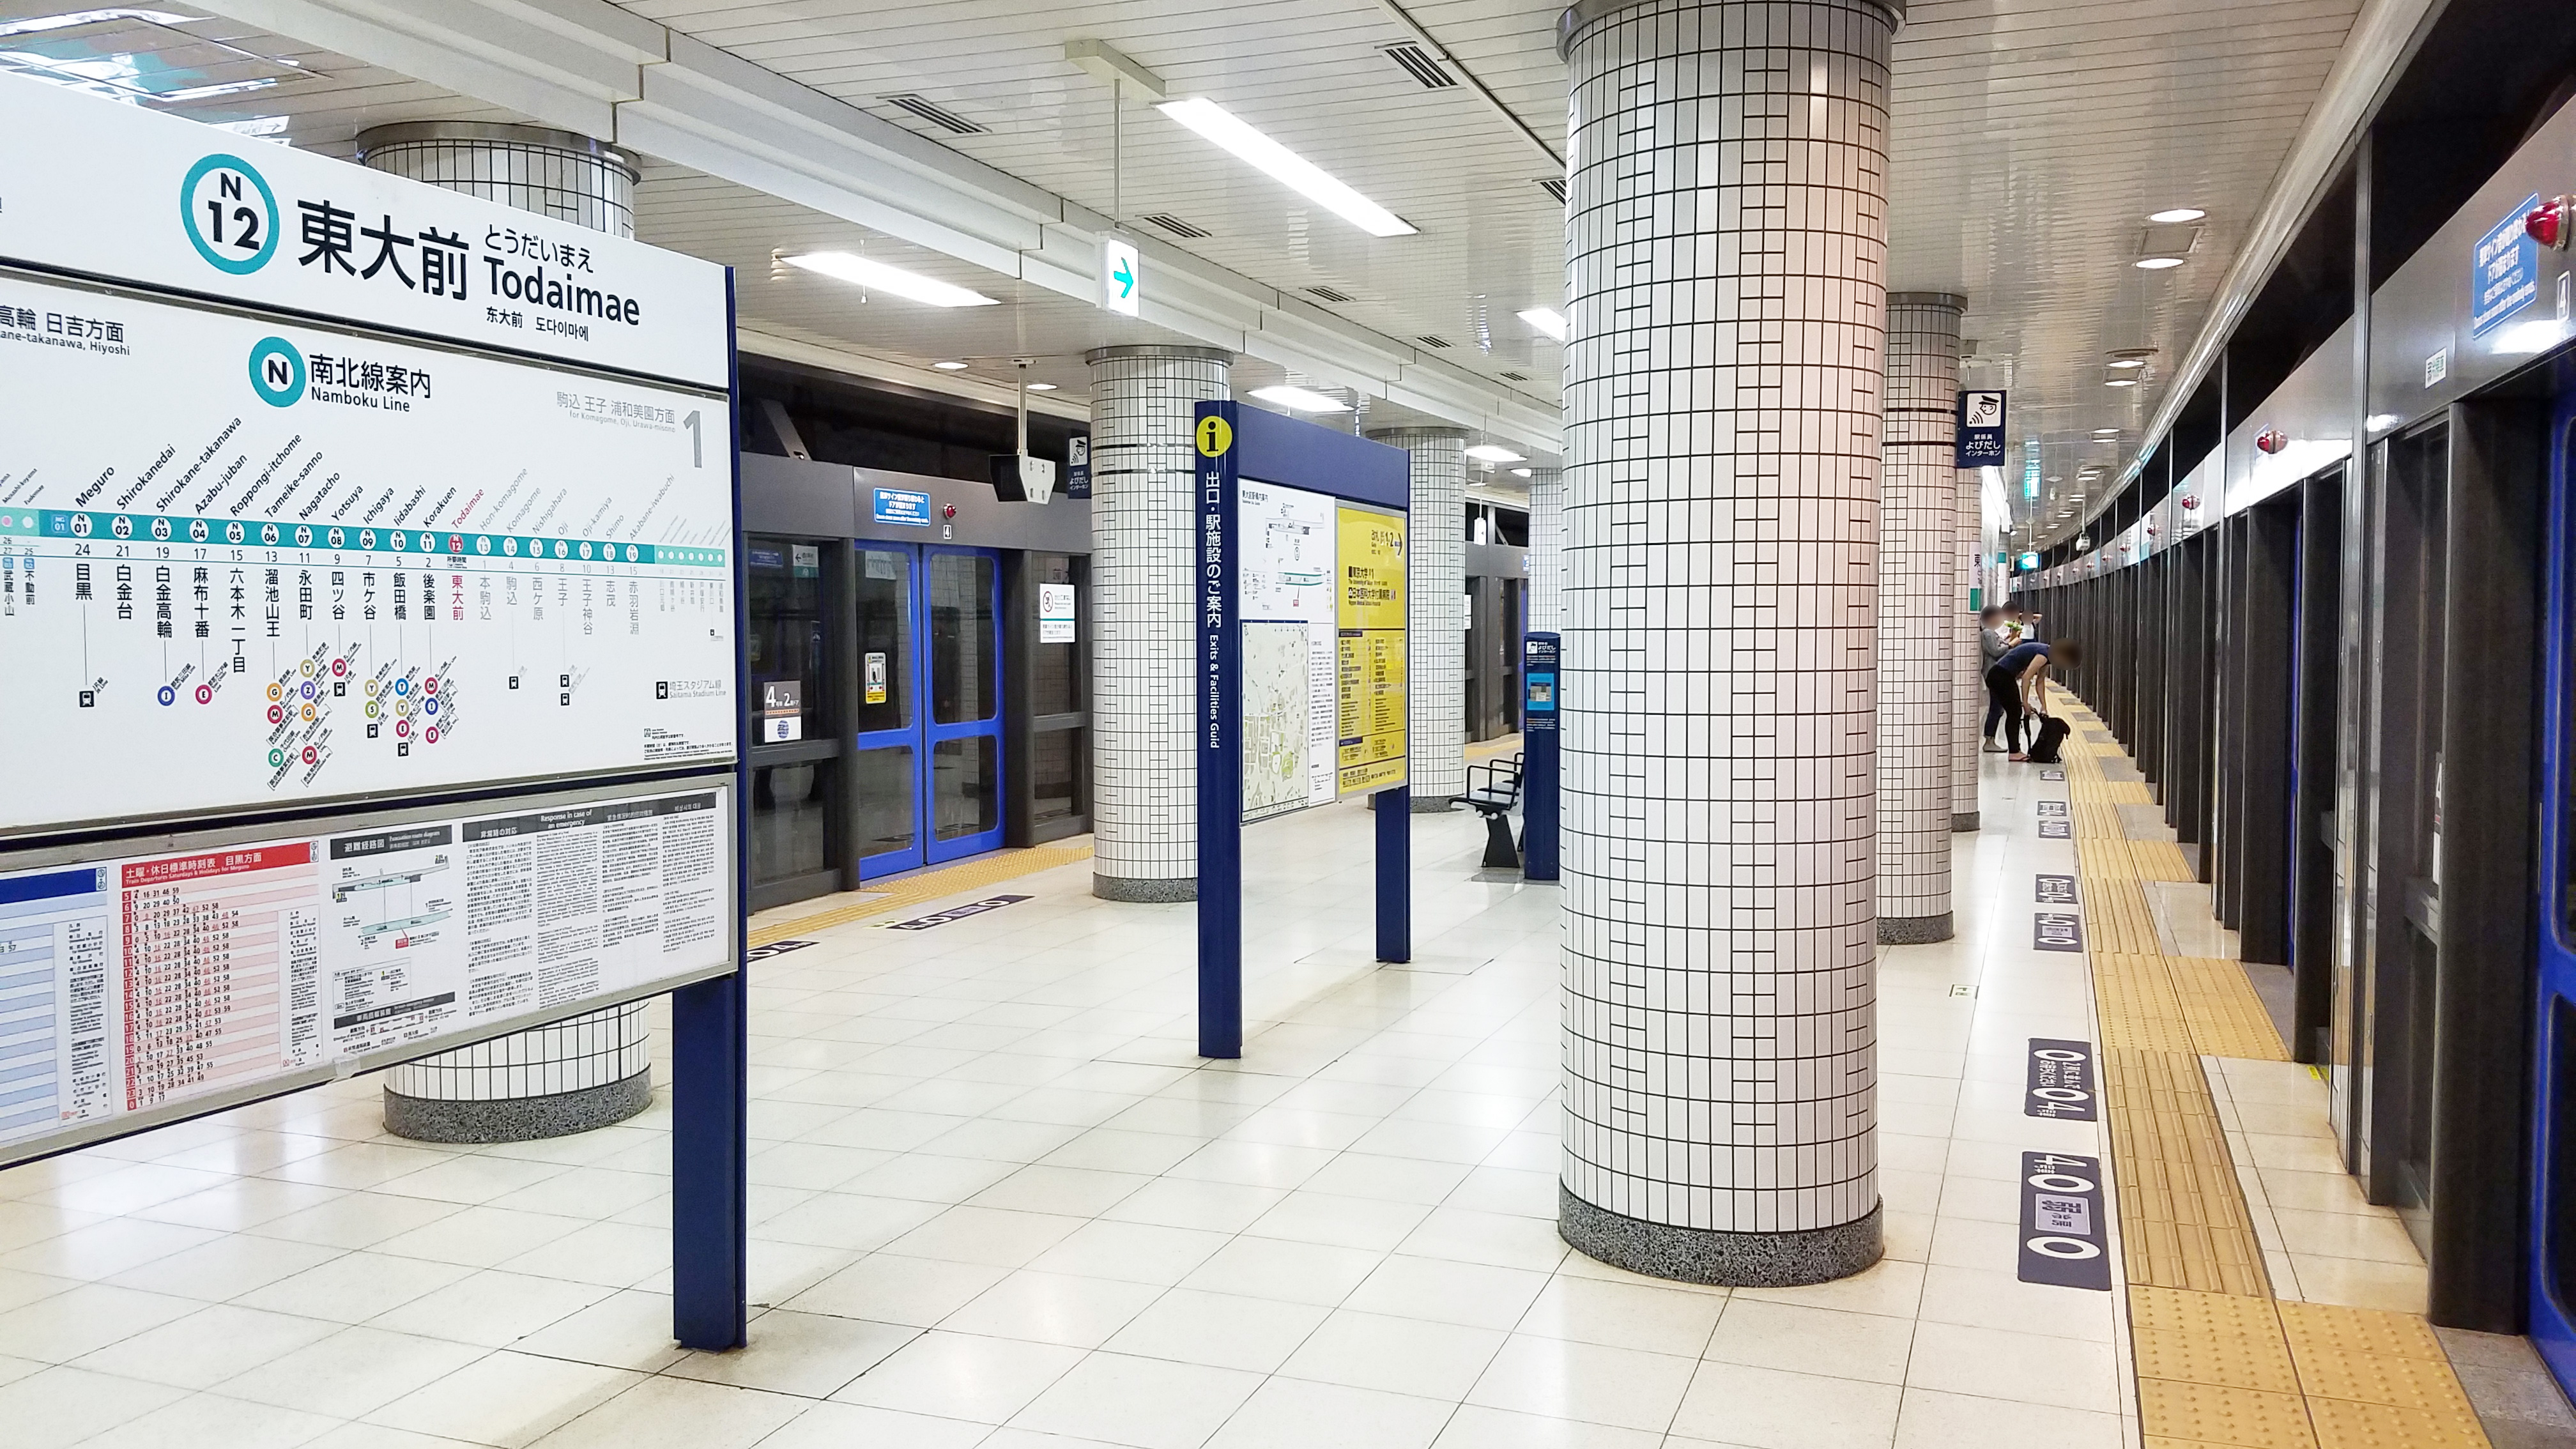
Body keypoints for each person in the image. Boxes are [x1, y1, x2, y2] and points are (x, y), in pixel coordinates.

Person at [1987, 636, 2082, 760]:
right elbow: (2027, 677)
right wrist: (2025, 703)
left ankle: (1992, 743)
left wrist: (2044, 706)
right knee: (2015, 712)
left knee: (2003, 710)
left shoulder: (2047, 654)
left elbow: (2040, 682)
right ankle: (2014, 752)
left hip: (1998, 674)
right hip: (2001, 676)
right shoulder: (2043, 656)